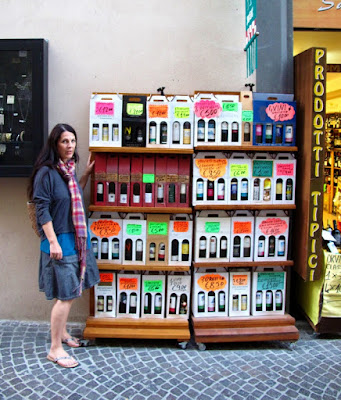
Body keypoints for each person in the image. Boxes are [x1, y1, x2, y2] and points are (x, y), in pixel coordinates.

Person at [27, 123, 100, 368]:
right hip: (60, 241)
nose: (69, 146)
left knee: (70, 291)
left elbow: (72, 196)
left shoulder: (66, 170)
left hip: (76, 238)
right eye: (64, 142)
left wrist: (86, 174)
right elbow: (42, 209)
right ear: (54, 145)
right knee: (66, 296)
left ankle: (64, 333)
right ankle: (55, 349)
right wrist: (53, 241)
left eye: (72, 141)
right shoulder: (46, 173)